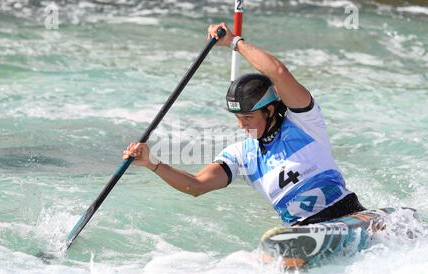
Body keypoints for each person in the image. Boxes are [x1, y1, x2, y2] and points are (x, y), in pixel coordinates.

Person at [122, 23, 366, 227]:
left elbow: (279, 72)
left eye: (248, 117)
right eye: (238, 118)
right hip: (302, 234)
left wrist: (233, 42)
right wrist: (152, 164)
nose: (241, 125)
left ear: (270, 110)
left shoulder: (304, 122)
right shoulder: (241, 155)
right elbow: (196, 185)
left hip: (350, 215)